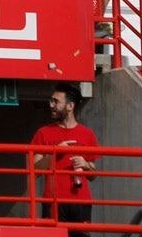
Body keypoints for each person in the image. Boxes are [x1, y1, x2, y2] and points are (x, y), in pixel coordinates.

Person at [30, 81, 97, 222]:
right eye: (51, 101)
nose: (51, 105)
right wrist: (54, 152)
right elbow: (34, 169)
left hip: (81, 201)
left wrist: (85, 164)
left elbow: (93, 175)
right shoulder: (43, 133)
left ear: (70, 106)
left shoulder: (87, 134)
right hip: (53, 200)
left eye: (56, 102)